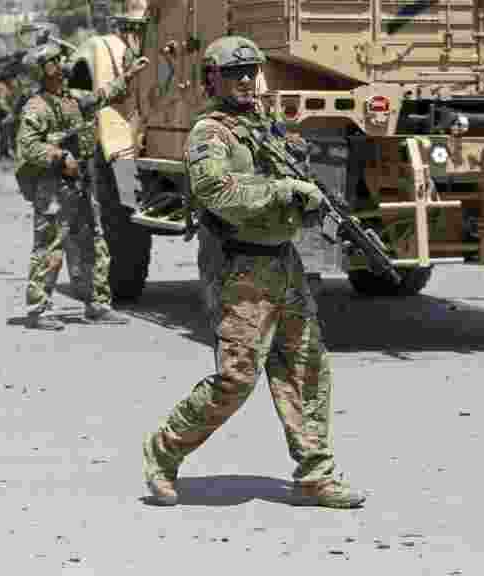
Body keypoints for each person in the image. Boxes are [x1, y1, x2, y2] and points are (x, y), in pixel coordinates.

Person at [141, 36, 367, 509]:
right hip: (239, 266)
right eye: (234, 72)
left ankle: (315, 474)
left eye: (251, 71)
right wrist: (284, 190)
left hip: (283, 262)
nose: (246, 79)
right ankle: (164, 451)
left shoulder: (263, 126)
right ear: (213, 79)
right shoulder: (209, 133)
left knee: (306, 367)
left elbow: (290, 180)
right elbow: (217, 192)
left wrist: (308, 199)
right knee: (237, 378)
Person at [14, 42, 148, 330]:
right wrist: (60, 157)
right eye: (56, 63)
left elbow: (102, 97)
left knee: (94, 244)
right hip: (54, 186)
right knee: (49, 246)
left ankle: (97, 304)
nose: (63, 67)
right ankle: (39, 309)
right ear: (44, 70)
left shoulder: (72, 99)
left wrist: (128, 76)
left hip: (81, 184)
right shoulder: (36, 107)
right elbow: (28, 146)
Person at [0, 75, 15, 160]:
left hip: (4, 112)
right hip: (3, 113)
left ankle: (5, 153)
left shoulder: (5, 86)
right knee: (4, 134)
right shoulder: (1, 86)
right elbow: (2, 101)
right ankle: (3, 153)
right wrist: (9, 112)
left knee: (6, 134)